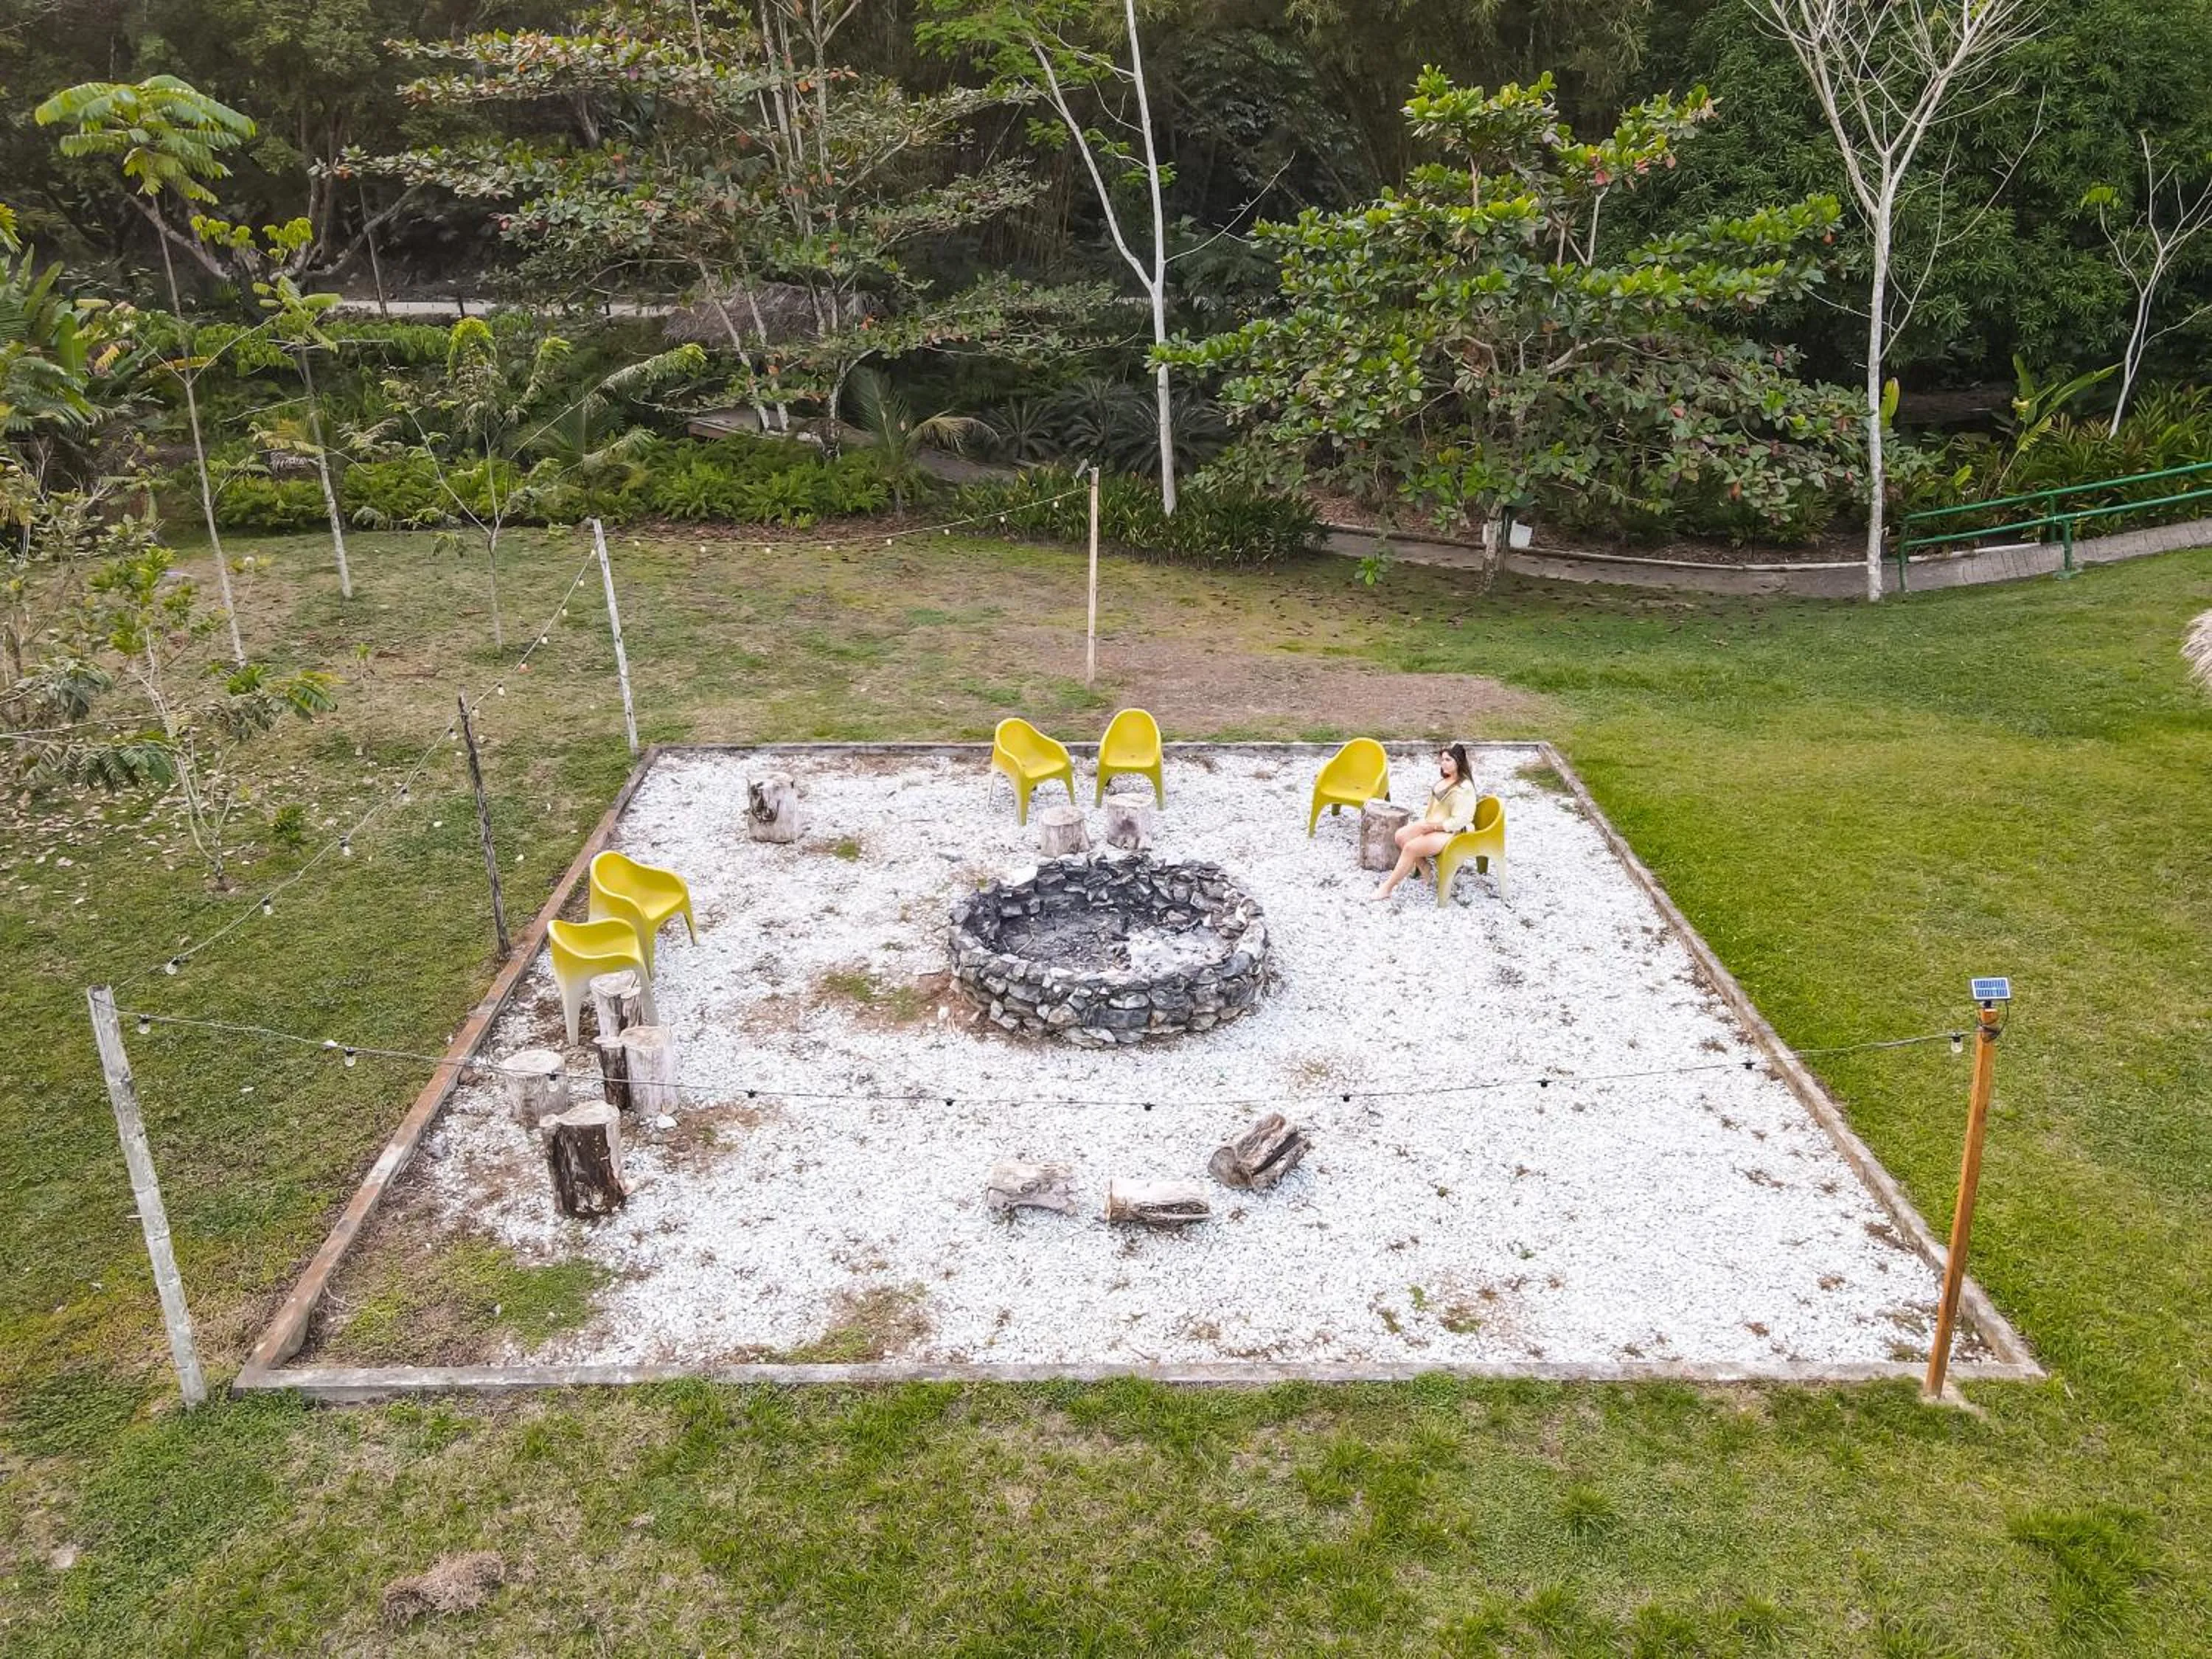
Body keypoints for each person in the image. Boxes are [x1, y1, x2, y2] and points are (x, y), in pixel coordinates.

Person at [1367, 743, 1478, 901]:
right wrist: (1427, 824)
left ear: (1458, 762)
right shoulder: (1446, 780)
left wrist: (1434, 827)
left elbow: (1460, 820)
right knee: (1400, 835)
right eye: (1442, 759)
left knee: (1411, 848)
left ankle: (1387, 888)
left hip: (1454, 832)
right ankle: (1425, 868)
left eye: (1448, 760)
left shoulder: (1464, 788)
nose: (1443, 763)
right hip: (1435, 824)